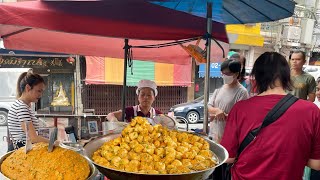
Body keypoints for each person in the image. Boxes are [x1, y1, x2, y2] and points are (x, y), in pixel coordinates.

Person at [221, 52, 320, 180]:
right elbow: (316, 163)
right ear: (286, 76)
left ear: (256, 77)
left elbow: (228, 157)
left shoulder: (240, 109)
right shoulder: (311, 111)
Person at [208, 59, 249, 180]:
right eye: (223, 73)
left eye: (228, 74)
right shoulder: (220, 89)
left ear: (236, 74)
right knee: (214, 172)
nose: (224, 76)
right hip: (215, 136)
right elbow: (208, 106)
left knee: (225, 173)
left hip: (230, 141)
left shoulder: (242, 92)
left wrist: (224, 115)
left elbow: (241, 117)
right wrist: (216, 111)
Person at [7, 71, 49, 150]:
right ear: (28, 88)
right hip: (23, 153)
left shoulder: (23, 106)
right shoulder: (21, 107)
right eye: (39, 91)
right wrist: (53, 142)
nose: (41, 95)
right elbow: (33, 138)